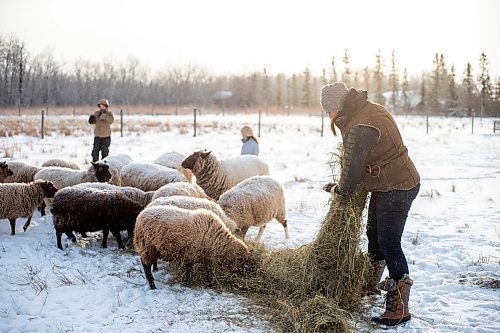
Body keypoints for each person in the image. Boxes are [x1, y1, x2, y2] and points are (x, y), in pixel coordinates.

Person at [320, 82, 420, 327]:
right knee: (374, 234)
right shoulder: (366, 110)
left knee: (389, 243)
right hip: (386, 183)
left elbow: (351, 175)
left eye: (328, 111)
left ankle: (399, 308)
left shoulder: (360, 125)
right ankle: (370, 282)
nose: (328, 116)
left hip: (397, 186)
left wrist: (338, 189)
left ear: (337, 106)